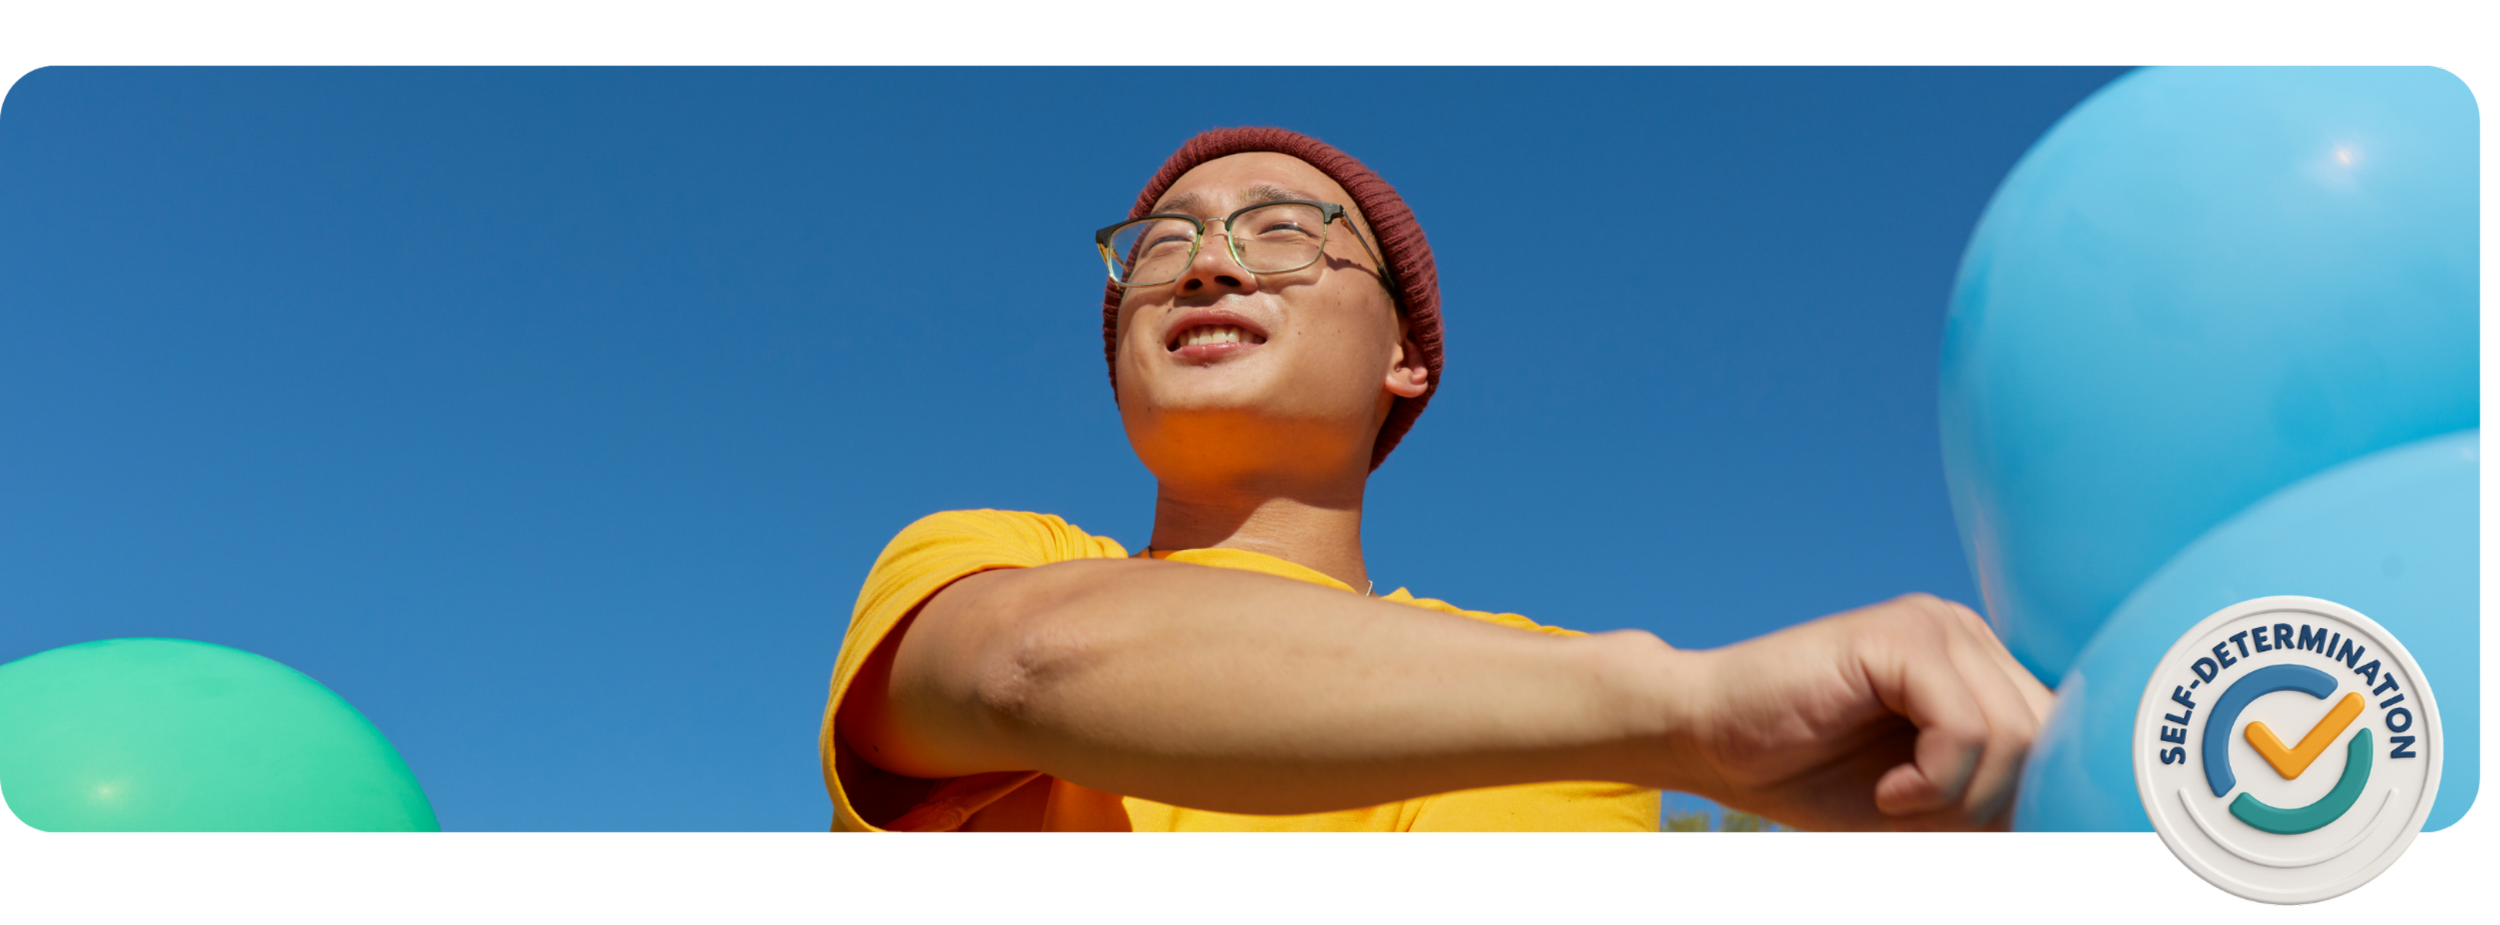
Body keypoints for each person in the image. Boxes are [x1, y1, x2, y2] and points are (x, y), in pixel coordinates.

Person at [818, 127, 2054, 834]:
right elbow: (1026, 670)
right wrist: (1688, 710)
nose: (1206, 265)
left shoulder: (1577, 731)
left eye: (1284, 231)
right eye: (1164, 243)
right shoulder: (991, 563)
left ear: (1406, 355)